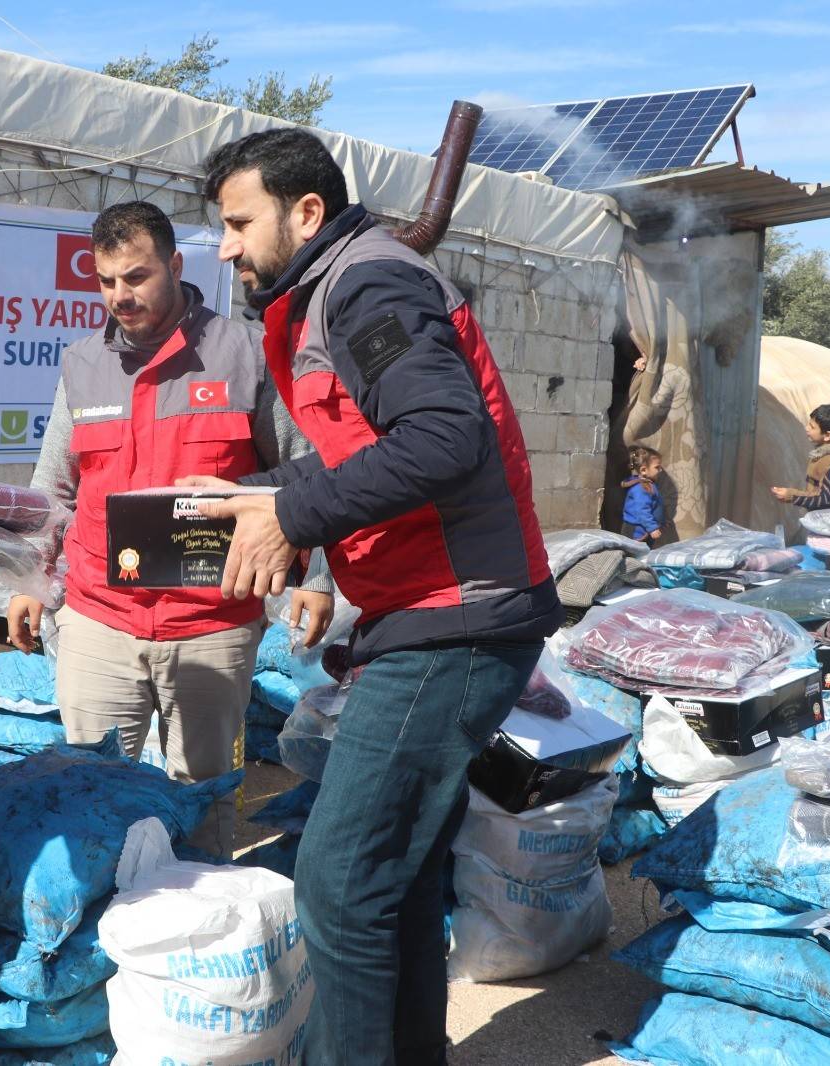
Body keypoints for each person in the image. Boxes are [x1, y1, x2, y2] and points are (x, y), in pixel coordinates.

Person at [192, 129, 560, 1065]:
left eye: (238, 222)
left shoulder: (367, 285)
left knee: (341, 876)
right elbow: (373, 447)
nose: (225, 245)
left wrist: (296, 513)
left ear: (305, 211)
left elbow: (443, 438)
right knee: (392, 879)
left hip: (456, 617)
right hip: (429, 613)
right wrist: (289, 519)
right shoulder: (336, 288)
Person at [5, 201, 334, 855]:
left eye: (136, 277)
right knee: (94, 793)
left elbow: (309, 474)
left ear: (176, 267)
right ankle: (102, 934)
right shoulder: (81, 365)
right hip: (100, 617)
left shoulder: (242, 355)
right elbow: (52, 491)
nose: (120, 296)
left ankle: (196, 929)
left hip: (212, 624)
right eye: (106, 282)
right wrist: (29, 581)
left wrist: (318, 576)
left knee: (204, 797)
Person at [770, 403, 830, 510]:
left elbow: (826, 499)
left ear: (827, 435)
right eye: (809, 424)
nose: (807, 428)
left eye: (812, 427)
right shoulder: (828, 456)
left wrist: (792, 496)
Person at [621, 444, 666, 542]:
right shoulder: (640, 489)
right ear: (644, 470)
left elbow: (653, 504)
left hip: (644, 528)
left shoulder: (648, 484)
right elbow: (642, 510)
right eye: (657, 467)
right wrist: (652, 528)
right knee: (634, 553)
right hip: (637, 531)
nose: (660, 470)